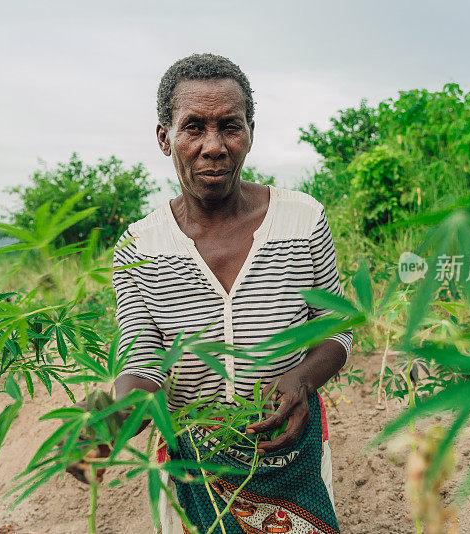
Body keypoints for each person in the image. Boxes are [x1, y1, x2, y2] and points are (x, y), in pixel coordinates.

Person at [74, 53, 352, 534]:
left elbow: (337, 332)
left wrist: (301, 380)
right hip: (192, 463)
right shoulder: (139, 247)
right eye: (193, 127)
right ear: (165, 138)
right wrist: (116, 419)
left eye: (230, 126)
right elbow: (142, 359)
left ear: (249, 133)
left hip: (287, 451)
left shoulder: (303, 219)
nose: (213, 146)